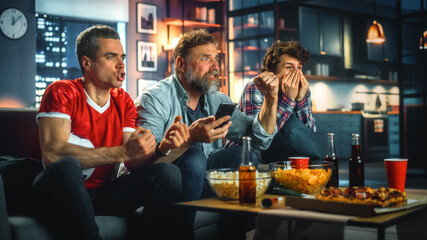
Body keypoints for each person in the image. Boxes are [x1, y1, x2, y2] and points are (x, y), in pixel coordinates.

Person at [32, 25, 189, 240]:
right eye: (111, 57)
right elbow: (53, 155)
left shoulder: (123, 100)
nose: (121, 64)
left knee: (169, 174)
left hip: (103, 194)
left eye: (122, 57)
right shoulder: (62, 91)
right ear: (87, 63)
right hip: (54, 192)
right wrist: (123, 153)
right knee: (67, 165)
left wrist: (163, 148)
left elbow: (132, 162)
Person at [135, 29, 278, 239]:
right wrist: (190, 139)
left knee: (245, 156)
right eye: (205, 58)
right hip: (173, 181)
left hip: (204, 178)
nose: (215, 66)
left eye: (216, 58)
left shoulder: (218, 100)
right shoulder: (154, 99)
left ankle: (234, 235)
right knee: (193, 155)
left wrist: (271, 99)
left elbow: (258, 140)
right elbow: (146, 163)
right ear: (181, 64)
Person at [239, 40, 320, 163]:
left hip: (288, 157)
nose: (296, 73)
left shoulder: (303, 89)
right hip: (253, 155)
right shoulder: (256, 86)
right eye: (289, 67)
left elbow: (307, 134)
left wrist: (300, 99)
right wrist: (288, 99)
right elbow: (258, 139)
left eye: (299, 67)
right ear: (272, 72)